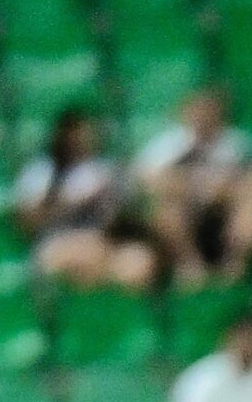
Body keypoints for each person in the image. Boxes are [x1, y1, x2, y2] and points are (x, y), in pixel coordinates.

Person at [135, 88, 252, 288]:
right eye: (197, 111)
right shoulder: (169, 145)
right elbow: (146, 177)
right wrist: (192, 187)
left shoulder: (236, 144)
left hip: (225, 210)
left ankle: (234, 265)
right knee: (165, 205)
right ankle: (190, 267)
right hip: (187, 209)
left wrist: (229, 187)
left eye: (209, 112)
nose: (202, 117)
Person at [11, 107, 157, 292]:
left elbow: (127, 218)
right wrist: (76, 202)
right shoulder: (42, 171)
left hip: (105, 239)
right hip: (58, 241)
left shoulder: (107, 169)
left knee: (139, 262)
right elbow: (28, 221)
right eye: (81, 132)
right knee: (86, 256)